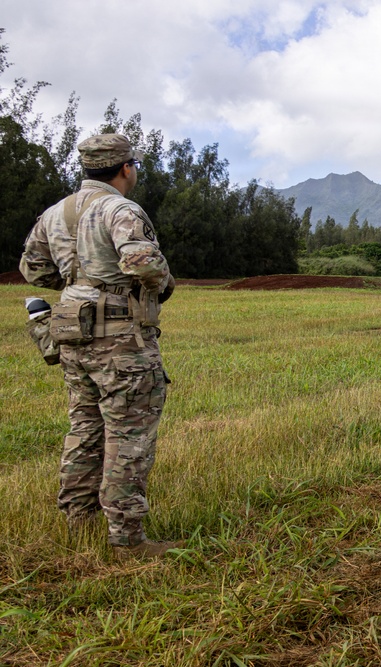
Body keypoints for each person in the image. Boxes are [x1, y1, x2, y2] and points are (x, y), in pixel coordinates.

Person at [20, 133, 179, 558]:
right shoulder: (120, 208)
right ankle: (127, 540)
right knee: (128, 434)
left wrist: (77, 286)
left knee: (85, 426)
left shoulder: (57, 213)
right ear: (126, 168)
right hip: (119, 340)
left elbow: (32, 268)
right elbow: (141, 261)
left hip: (72, 333)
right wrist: (161, 285)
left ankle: (79, 518)